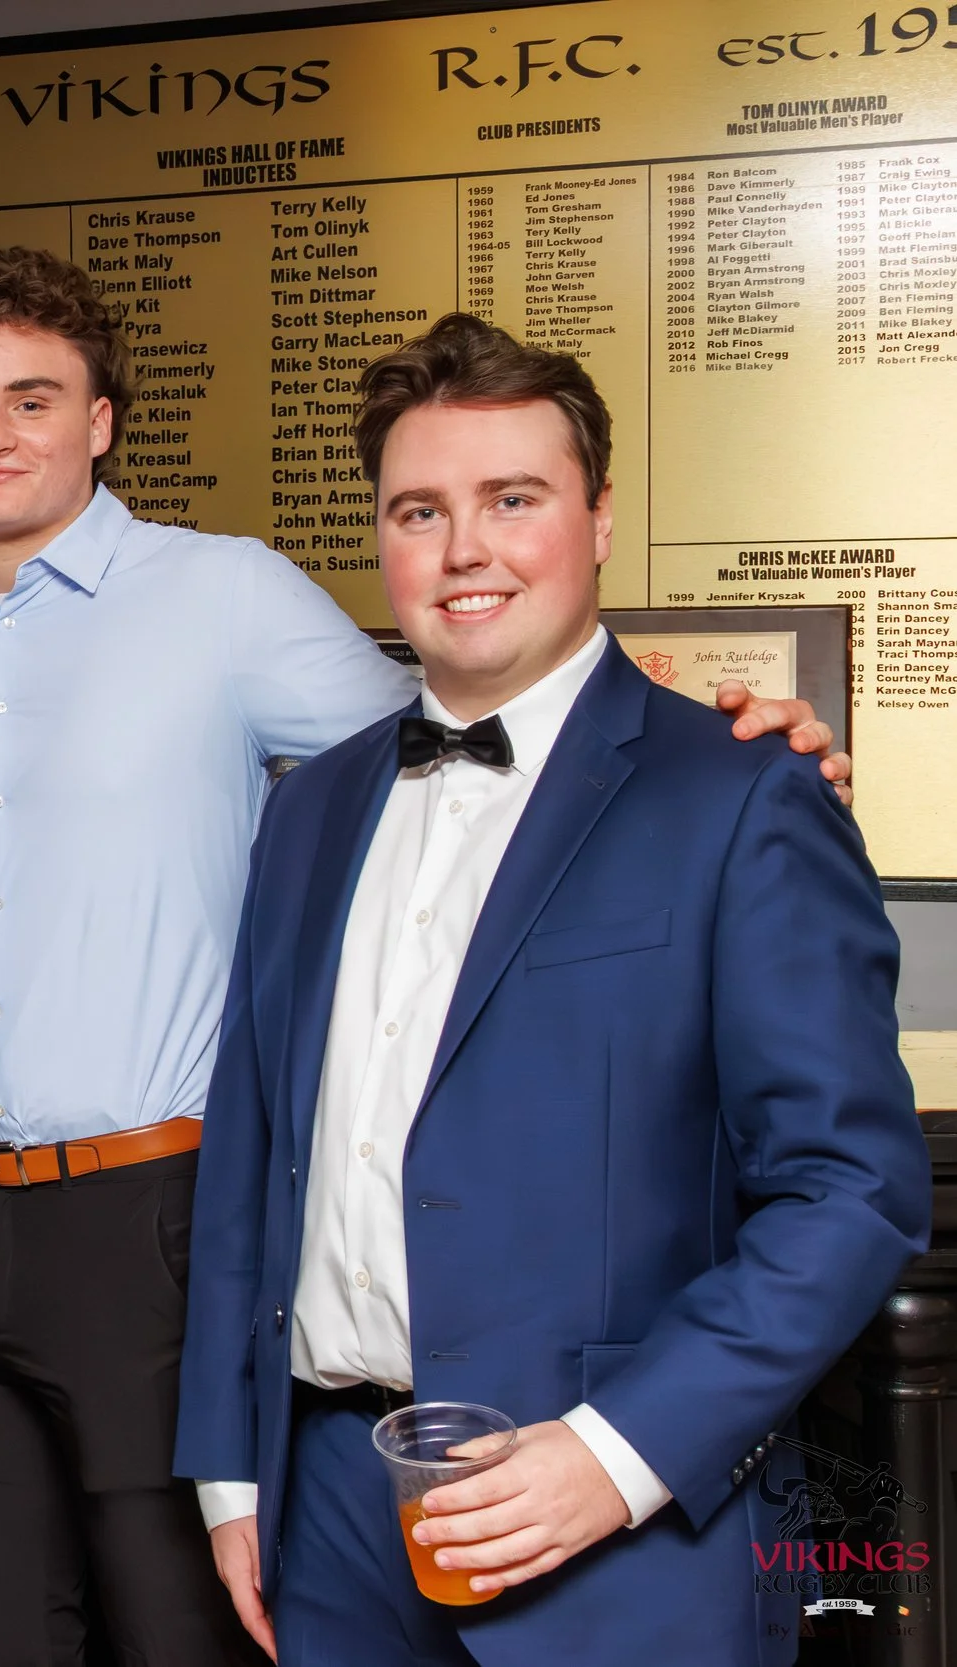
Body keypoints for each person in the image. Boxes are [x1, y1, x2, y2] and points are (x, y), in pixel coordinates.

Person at [0, 250, 848, 1667]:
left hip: (167, 1217)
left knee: (167, 1627)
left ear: (103, 419)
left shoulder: (229, 597)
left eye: (32, 396)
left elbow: (492, 724)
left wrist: (722, 742)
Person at [175, 313, 929, 1666]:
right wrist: (234, 1469)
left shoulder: (744, 794)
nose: (464, 548)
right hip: (328, 1513)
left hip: (614, 1526)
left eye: (511, 499)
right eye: (421, 509)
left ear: (598, 521)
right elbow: (252, 1153)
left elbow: (850, 1189)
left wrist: (616, 1451)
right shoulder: (309, 807)